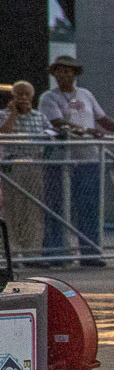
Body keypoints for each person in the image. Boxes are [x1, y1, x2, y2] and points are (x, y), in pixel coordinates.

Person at [37, 56, 114, 268]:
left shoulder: (86, 95)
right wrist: (86, 131)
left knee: (89, 206)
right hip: (61, 160)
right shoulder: (49, 98)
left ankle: (90, 253)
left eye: (69, 71)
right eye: (60, 71)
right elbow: (57, 122)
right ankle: (55, 253)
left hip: (88, 158)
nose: (65, 75)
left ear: (75, 74)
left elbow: (101, 118)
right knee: (56, 206)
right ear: (54, 74)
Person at [0, 80, 50, 263]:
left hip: (34, 165)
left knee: (33, 210)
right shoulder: (3, 115)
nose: (23, 97)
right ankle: (11, 252)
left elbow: (50, 134)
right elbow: (4, 134)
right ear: (13, 96)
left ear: (32, 97)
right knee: (11, 209)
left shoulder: (40, 117)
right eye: (19, 94)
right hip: (12, 166)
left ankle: (32, 253)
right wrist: (13, 114)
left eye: (26, 94)